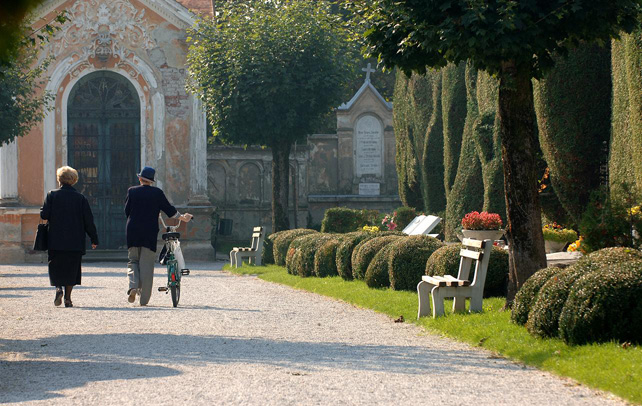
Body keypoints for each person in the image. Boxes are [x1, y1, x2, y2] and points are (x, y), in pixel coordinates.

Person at [125, 166, 192, 305]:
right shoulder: (157, 193)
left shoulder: (132, 191)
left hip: (132, 230)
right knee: (147, 265)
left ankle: (132, 286)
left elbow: (127, 211)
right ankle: (143, 300)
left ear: (140, 178)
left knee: (133, 261)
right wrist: (182, 217)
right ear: (152, 181)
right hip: (149, 231)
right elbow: (170, 211)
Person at [40, 166, 99, 308]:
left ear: (59, 179)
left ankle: (58, 288)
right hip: (75, 240)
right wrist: (94, 238)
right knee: (72, 269)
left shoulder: (51, 195)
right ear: (74, 180)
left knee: (55, 266)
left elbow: (44, 215)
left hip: (55, 238)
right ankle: (68, 298)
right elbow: (88, 221)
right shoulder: (80, 198)